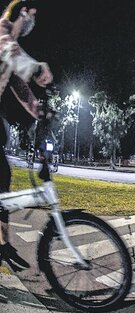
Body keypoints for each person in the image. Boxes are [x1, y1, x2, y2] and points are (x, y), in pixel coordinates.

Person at [0, 0, 53, 270]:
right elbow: (12, 54)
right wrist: (37, 68)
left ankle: (4, 244)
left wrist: (39, 111)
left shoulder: (10, 45)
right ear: (24, 12)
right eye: (33, 17)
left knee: (3, 179)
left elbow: (20, 89)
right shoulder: (2, 32)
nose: (34, 23)